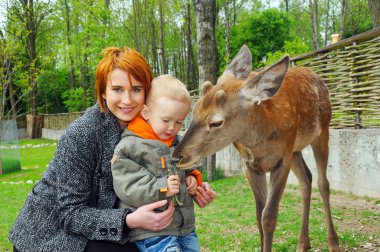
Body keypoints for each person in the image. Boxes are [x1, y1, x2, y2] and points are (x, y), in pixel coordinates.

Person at [8, 47, 216, 252]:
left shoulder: (157, 128)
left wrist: (192, 185)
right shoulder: (82, 134)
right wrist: (129, 221)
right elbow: (69, 214)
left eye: (136, 89)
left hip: (104, 224)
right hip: (52, 235)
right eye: (117, 89)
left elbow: (169, 166)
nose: (127, 100)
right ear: (103, 93)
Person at [111, 75, 208, 252]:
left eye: (179, 122)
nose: (172, 127)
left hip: (184, 229)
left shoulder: (177, 143)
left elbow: (190, 164)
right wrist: (162, 187)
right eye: (166, 120)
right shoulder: (129, 147)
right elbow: (128, 186)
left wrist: (192, 177)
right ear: (146, 112)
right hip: (152, 233)